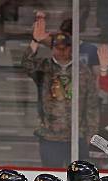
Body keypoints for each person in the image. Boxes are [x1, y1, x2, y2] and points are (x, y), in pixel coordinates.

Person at [22, 20, 99, 167]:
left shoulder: (82, 70)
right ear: (52, 49)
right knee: (51, 179)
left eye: (65, 48)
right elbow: (26, 64)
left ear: (71, 49)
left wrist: (91, 132)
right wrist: (35, 41)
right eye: (57, 47)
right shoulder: (44, 67)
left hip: (76, 137)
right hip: (50, 137)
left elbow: (92, 104)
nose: (61, 51)